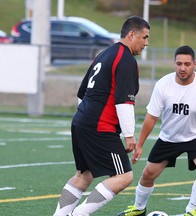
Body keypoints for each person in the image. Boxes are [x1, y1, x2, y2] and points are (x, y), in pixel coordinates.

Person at [117, 45, 196, 216]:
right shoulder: (163, 84)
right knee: (148, 174)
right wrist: (140, 145)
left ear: (195, 64)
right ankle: (139, 208)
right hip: (169, 137)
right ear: (174, 64)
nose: (183, 68)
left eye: (187, 64)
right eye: (179, 64)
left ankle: (191, 211)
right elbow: (151, 117)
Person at [53, 16, 150, 216]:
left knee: (83, 175)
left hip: (81, 121)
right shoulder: (125, 59)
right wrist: (129, 135)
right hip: (100, 126)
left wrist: (86, 116)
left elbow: (81, 93)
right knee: (123, 176)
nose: (146, 43)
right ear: (132, 35)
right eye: (144, 37)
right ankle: (79, 214)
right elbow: (124, 100)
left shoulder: (105, 54)